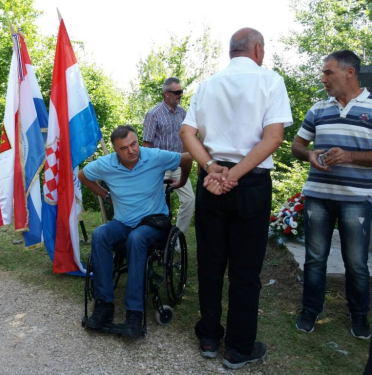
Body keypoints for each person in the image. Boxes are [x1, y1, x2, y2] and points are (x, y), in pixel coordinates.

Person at [180, 28, 293, 369]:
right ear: (257, 49)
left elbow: (187, 132)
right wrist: (235, 174)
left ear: (232, 51)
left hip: (212, 182)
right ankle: (239, 347)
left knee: (211, 263)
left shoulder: (208, 84)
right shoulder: (270, 81)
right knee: (245, 270)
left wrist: (214, 168)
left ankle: (209, 336)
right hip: (250, 184)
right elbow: (273, 138)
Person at [78, 125, 192, 338]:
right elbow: (83, 175)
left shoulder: (155, 156)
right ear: (115, 150)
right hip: (123, 222)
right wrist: (105, 194)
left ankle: (134, 312)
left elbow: (187, 159)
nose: (131, 150)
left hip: (153, 224)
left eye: (134, 144)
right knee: (100, 234)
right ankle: (104, 306)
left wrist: (182, 182)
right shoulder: (106, 164)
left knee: (136, 238)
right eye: (124, 148)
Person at [291, 50, 372, 340]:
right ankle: (310, 310)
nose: (323, 78)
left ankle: (359, 314)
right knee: (314, 258)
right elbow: (296, 145)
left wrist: (349, 155)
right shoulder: (318, 109)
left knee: (356, 262)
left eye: (328, 72)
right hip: (318, 196)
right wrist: (309, 154)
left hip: (357, 199)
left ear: (349, 73)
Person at [143, 77, 194, 233]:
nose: (180, 95)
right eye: (177, 92)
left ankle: (177, 239)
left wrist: (187, 159)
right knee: (156, 203)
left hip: (179, 163)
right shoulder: (153, 114)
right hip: (160, 166)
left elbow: (187, 138)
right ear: (166, 94)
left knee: (189, 200)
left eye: (181, 91)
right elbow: (147, 145)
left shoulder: (183, 112)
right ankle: (156, 235)